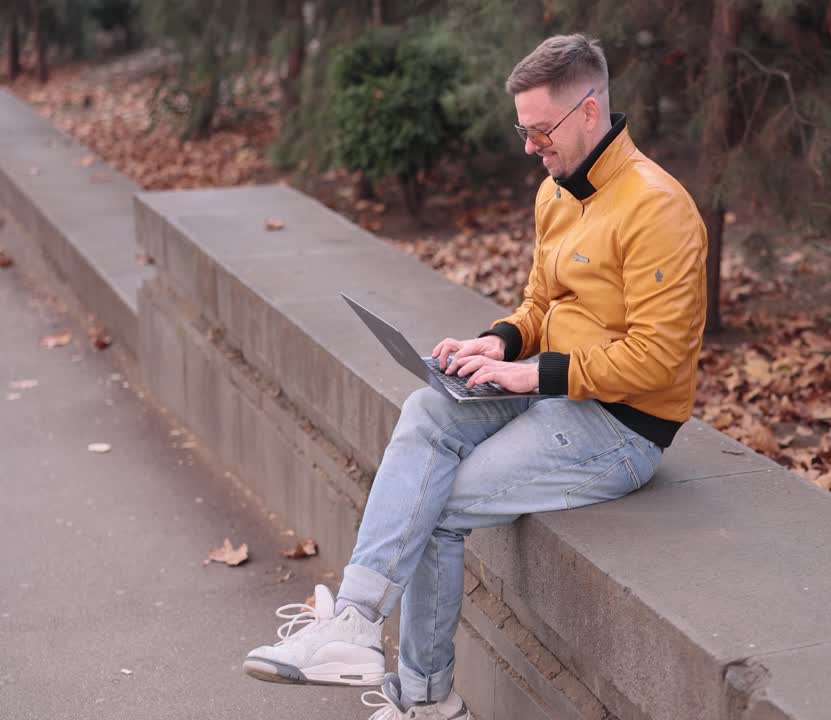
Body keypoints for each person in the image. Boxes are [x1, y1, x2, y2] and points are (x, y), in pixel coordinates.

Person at [241, 33, 708, 720]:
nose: (529, 147)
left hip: (621, 428)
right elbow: (541, 305)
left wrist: (531, 378)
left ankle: (426, 702)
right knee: (427, 410)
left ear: (588, 112)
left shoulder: (657, 208)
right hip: (549, 389)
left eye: (539, 130)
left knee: (441, 503)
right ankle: (354, 623)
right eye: (521, 131)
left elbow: (657, 360)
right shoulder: (557, 193)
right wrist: (495, 344)